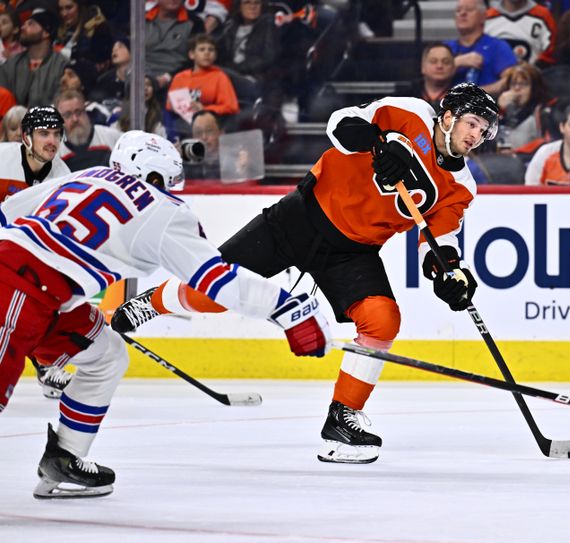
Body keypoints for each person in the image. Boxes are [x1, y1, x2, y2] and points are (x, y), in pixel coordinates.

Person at [111, 83, 499, 464]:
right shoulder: (408, 112)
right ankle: (152, 302)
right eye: (471, 124)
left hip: (352, 250)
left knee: (382, 319)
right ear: (447, 116)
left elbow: (439, 238)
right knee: (213, 292)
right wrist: (376, 142)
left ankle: (342, 419)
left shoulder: (461, 185)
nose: (476, 135)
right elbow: (340, 125)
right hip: (301, 217)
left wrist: (449, 273)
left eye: (483, 130)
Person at [0, 129, 331, 499]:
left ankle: (64, 457)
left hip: (48, 295)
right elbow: (217, 281)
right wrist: (286, 307)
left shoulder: (85, 176)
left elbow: (6, 214)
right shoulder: (163, 209)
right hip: (19, 287)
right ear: (158, 176)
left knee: (106, 354)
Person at [0, 106, 72, 398]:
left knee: (41, 295)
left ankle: (45, 364)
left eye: (56, 134)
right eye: (44, 133)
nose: (51, 141)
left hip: (16, 253)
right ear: (26, 137)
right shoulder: (2, 160)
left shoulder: (62, 176)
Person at [446, 0, 518, 97]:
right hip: (447, 106)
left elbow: (512, 78)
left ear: (483, 16)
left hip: (487, 106)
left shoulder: (497, 46)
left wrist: (476, 93)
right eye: (458, 10)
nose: (462, 13)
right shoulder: (446, 48)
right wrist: (456, 62)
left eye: (469, 9)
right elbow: (428, 77)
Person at [0, 8, 68, 107]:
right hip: (12, 120)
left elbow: (61, 102)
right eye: (24, 24)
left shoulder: (61, 65)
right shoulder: (10, 65)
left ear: (46, 32)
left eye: (30, 24)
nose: (23, 27)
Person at [55, 89, 121, 170]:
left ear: (86, 112)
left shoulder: (111, 136)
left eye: (78, 112)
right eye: (68, 115)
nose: (75, 119)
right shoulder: (55, 152)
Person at [485, 0, 558, 67]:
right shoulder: (487, 18)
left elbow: (550, 54)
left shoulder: (544, 16)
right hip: (494, 79)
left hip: (534, 78)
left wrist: (532, 71)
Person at [411, 42, 457, 111]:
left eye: (446, 62)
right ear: (422, 67)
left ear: (453, 68)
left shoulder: (464, 100)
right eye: (433, 61)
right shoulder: (405, 98)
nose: (439, 66)